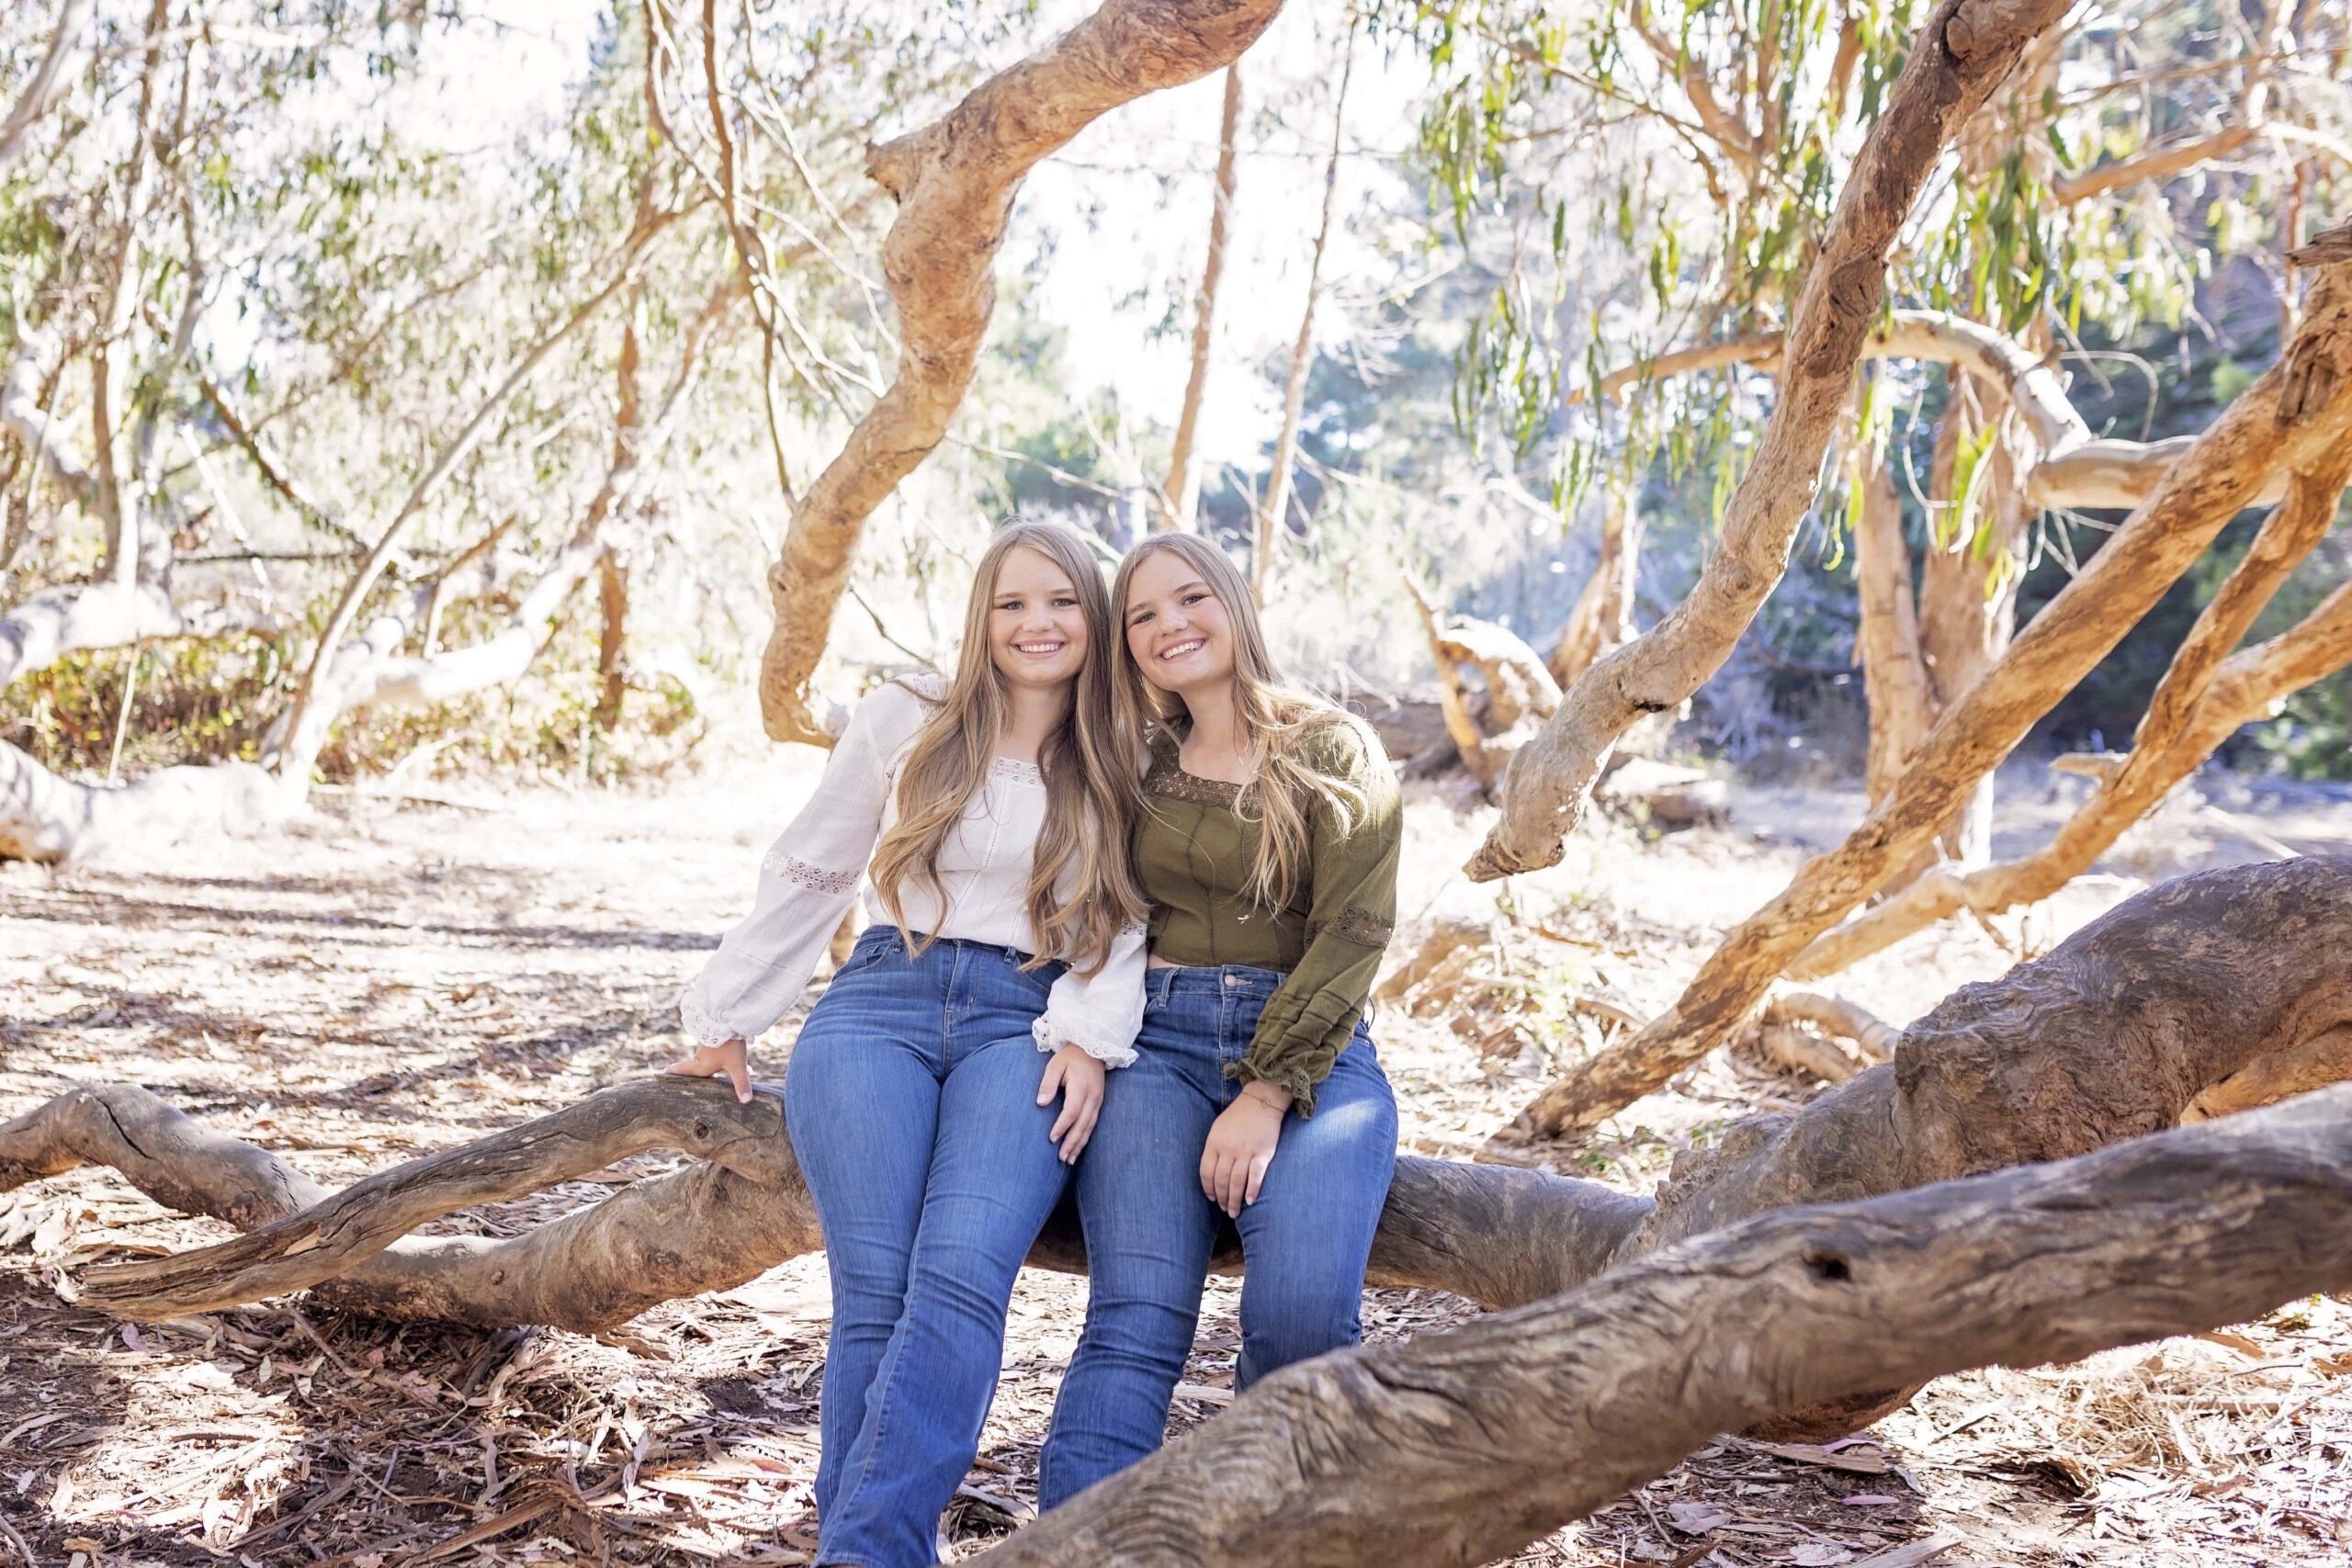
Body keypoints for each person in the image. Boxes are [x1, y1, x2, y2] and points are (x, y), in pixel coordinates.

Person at [666, 521, 1147, 1568]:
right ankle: (879, 1550)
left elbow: (1127, 911)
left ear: (1094, 618)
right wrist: (727, 1015)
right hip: (879, 1002)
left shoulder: (1123, 744)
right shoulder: (910, 714)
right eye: (1012, 603)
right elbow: (814, 864)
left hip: (1025, 1020)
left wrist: (1086, 1035)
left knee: (963, 1278)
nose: (1037, 624)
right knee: (874, 1293)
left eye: (1062, 601)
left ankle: (862, 1549)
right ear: (981, 616)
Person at [1036, 531, 1401, 1507]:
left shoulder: (1331, 747)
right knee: (1134, 1318)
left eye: (1189, 598)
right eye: (1143, 616)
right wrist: (1085, 1034)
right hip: (1158, 1047)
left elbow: (1355, 930)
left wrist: (1268, 1091)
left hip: (1313, 1054)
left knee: (1300, 1321)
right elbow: (1103, 912)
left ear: (1234, 602)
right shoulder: (1139, 760)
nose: (1170, 626)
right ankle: (1076, 1542)